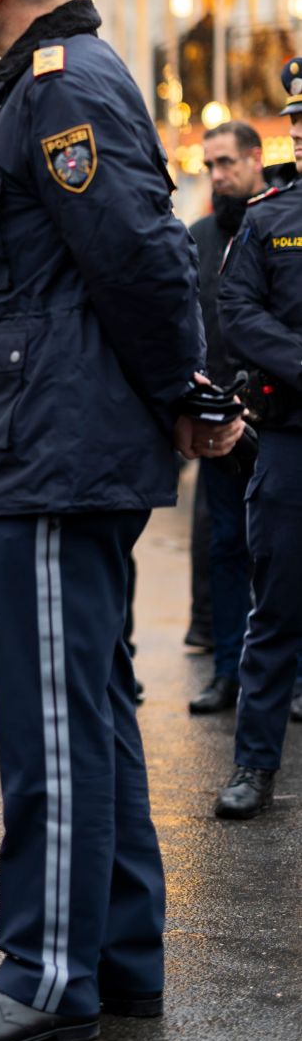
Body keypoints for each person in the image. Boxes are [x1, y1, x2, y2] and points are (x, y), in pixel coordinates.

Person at [0, 0, 241, 1041]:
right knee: (90, 704)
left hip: (52, 443)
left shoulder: (59, 88)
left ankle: (47, 972)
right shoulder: (59, 80)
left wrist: (187, 388)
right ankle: (118, 953)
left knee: (52, 716)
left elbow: (138, 257)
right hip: (57, 435)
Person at [212, 61, 302, 818]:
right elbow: (236, 310)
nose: (297, 132)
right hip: (291, 438)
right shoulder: (270, 218)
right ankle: (254, 764)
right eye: (295, 121)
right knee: (274, 605)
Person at [186, 122, 265, 714]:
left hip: (280, 417)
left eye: (227, 163)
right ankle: (227, 671)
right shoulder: (198, 238)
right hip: (221, 418)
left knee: (282, 550)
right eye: (210, 165)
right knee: (226, 546)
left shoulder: (280, 224)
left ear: (255, 159)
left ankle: (289, 675)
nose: (217, 175)